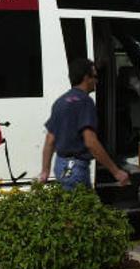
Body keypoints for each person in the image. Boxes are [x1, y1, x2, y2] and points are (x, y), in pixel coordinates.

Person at [38, 58, 130, 189]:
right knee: (81, 207)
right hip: (76, 169)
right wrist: (116, 171)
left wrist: (45, 171)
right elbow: (90, 142)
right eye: (95, 76)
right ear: (86, 77)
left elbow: (50, 140)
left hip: (60, 166)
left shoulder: (60, 102)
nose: (97, 81)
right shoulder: (85, 102)